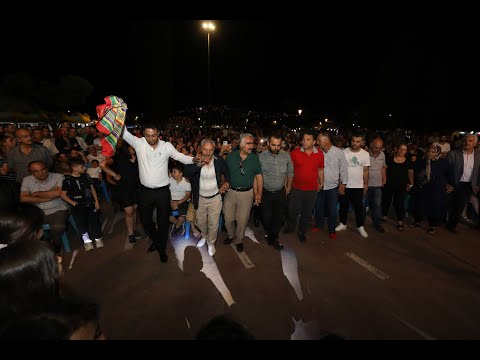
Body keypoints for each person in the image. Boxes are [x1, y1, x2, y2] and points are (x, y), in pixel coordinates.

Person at [122, 122, 199, 263]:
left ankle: (161, 248)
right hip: (145, 192)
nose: (151, 138)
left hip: (163, 192)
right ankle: (157, 240)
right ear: (143, 135)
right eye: (147, 135)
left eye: (154, 135)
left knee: (163, 222)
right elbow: (123, 132)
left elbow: (179, 156)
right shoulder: (139, 143)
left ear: (159, 134)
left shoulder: (166, 146)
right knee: (146, 222)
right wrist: (118, 115)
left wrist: (193, 159)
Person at [184, 139, 231, 256]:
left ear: (214, 150)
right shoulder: (194, 161)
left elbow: (227, 172)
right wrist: (199, 164)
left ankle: (211, 243)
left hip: (215, 198)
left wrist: (227, 183)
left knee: (213, 224)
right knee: (200, 222)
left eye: (210, 150)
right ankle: (204, 236)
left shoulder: (218, 160)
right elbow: (187, 173)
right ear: (200, 149)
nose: (208, 152)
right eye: (205, 149)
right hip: (200, 198)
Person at [223, 133, 263, 252]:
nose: (251, 146)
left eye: (252, 143)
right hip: (230, 192)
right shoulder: (231, 156)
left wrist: (258, 193)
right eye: (248, 143)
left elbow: (259, 177)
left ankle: (239, 240)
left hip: (247, 194)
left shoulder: (255, 158)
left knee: (242, 220)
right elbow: (224, 172)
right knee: (228, 217)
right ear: (241, 145)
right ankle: (231, 235)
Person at [20, 161, 69, 255]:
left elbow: (58, 193)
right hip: (37, 211)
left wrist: (35, 194)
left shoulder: (58, 176)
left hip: (58, 208)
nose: (41, 173)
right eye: (36, 171)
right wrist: (50, 195)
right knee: (25, 228)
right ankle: (39, 249)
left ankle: (54, 245)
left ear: (47, 168)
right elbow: (24, 198)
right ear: (31, 172)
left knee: (57, 227)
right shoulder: (27, 180)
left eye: (43, 169)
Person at [286, 130, 325, 242]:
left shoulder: (319, 153)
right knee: (292, 210)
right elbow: (290, 171)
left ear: (314, 142)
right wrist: (288, 186)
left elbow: (321, 170)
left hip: (311, 189)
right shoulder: (295, 152)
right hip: (296, 188)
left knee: (306, 213)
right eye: (303, 139)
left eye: (308, 139)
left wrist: (321, 183)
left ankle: (302, 231)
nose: (304, 141)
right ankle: (290, 227)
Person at [258, 133, 294, 250]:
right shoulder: (261, 157)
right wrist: (258, 192)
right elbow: (257, 176)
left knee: (279, 217)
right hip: (266, 192)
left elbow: (290, 172)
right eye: (273, 145)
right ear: (268, 143)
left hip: (280, 192)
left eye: (278, 145)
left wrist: (288, 187)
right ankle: (268, 232)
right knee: (266, 217)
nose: (276, 148)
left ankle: (273, 238)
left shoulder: (286, 156)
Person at [61, 158, 103, 252]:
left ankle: (98, 239)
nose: (84, 168)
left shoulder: (86, 177)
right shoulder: (68, 181)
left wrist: (96, 201)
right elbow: (63, 195)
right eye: (82, 166)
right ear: (74, 168)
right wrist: (73, 203)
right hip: (78, 206)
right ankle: (87, 242)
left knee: (94, 222)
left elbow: (92, 189)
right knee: (82, 224)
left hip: (90, 203)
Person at [313, 131, 348, 239]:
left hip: (332, 187)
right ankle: (319, 224)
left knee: (332, 210)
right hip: (319, 186)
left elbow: (343, 169)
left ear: (326, 140)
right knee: (318, 208)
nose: (317, 142)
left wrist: (343, 183)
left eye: (319, 140)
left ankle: (331, 229)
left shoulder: (339, 152)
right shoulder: (316, 152)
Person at [336, 132, 370, 238]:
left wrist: (365, 183)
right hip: (345, 185)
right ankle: (343, 224)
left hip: (358, 186)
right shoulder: (343, 152)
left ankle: (360, 226)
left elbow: (365, 170)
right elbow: (339, 169)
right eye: (353, 141)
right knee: (343, 206)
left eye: (358, 141)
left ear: (362, 142)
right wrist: (341, 183)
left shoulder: (365, 154)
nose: (355, 143)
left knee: (359, 208)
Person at [411, 145, 451, 234]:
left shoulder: (443, 163)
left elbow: (448, 175)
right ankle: (417, 221)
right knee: (419, 205)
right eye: (429, 151)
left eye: (433, 152)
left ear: (438, 153)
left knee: (434, 208)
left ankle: (433, 226)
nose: (430, 153)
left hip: (436, 190)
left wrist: (448, 185)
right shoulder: (420, 162)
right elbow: (415, 174)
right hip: (422, 188)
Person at [446, 134, 480, 233]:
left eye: (470, 141)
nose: (467, 142)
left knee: (460, 206)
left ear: (474, 143)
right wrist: (446, 183)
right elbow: (445, 170)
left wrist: (477, 184)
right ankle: (442, 220)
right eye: (465, 140)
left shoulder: (478, 155)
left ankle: (452, 225)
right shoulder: (453, 154)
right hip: (453, 183)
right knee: (450, 204)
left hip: (468, 185)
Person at [367, 137, 387, 233]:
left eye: (380, 148)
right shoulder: (364, 154)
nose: (378, 150)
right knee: (362, 204)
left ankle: (377, 224)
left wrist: (384, 179)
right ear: (371, 145)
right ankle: (360, 224)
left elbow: (383, 167)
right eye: (376, 147)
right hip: (365, 185)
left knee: (378, 205)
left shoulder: (382, 154)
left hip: (377, 184)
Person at [168, 162, 191, 239]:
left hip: (182, 201)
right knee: (167, 216)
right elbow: (166, 192)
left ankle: (176, 228)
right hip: (171, 200)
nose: (172, 173)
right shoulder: (169, 180)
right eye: (172, 171)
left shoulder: (186, 183)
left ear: (181, 173)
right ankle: (180, 224)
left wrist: (178, 203)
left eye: (175, 172)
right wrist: (171, 201)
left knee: (182, 214)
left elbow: (188, 195)